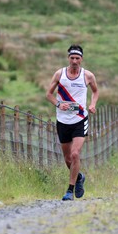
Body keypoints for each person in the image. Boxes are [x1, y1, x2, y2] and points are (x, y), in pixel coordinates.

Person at [46, 44, 99, 201]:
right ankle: (79, 177)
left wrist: (92, 104)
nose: (74, 61)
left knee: (75, 154)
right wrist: (58, 104)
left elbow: (95, 91)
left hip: (80, 120)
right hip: (62, 120)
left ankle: (70, 190)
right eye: (72, 58)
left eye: (77, 58)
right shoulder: (59, 74)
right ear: (68, 58)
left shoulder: (88, 76)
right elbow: (48, 94)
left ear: (81, 59)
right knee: (68, 160)